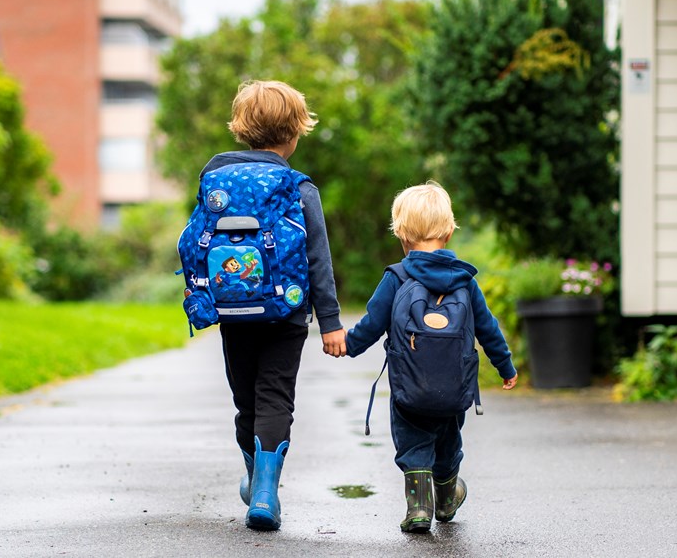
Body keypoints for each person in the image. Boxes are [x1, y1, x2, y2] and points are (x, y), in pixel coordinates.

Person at [201, 80, 346, 531]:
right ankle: (265, 493)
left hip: (233, 311)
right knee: (275, 396)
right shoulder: (298, 188)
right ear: (295, 133)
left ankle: (254, 478)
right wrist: (331, 324)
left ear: (242, 129)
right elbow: (317, 259)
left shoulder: (214, 178)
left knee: (245, 400)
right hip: (286, 313)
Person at [332, 181, 518, 533]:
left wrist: (347, 345)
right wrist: (505, 365)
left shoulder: (397, 277)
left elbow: (372, 323)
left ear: (401, 233)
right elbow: (488, 329)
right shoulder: (466, 282)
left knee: (414, 444)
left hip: (409, 391)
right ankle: (447, 498)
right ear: (448, 232)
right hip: (454, 391)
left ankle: (419, 509)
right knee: (448, 445)